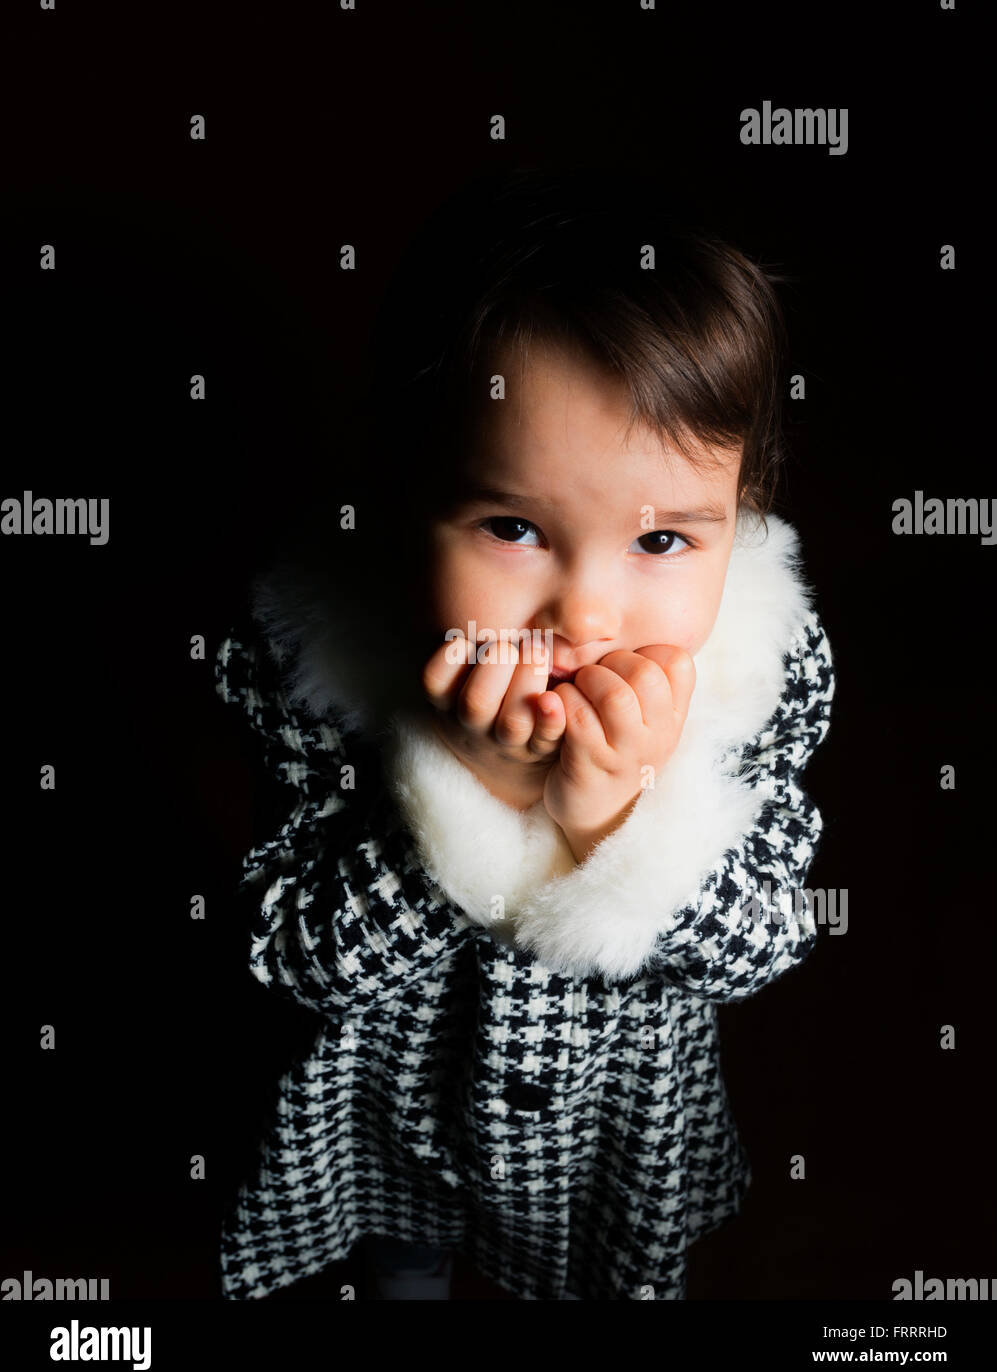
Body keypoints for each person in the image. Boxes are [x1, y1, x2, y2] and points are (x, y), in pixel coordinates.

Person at [213, 166, 835, 1300]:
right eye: (513, 526)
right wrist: (474, 789)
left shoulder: (756, 672)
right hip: (384, 1128)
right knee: (395, 1270)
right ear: (405, 497)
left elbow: (768, 940)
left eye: (662, 543)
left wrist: (619, 822)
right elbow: (289, 952)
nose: (584, 616)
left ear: (741, 511)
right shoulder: (312, 665)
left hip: (607, 1144)